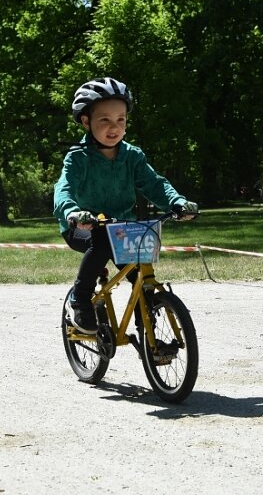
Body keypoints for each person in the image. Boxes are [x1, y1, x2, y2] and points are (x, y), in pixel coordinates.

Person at [53, 77, 198, 335]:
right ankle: (80, 297)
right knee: (101, 239)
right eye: (104, 120)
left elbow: (154, 184)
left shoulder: (132, 155)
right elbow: (63, 189)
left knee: (143, 280)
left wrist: (177, 202)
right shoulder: (77, 157)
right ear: (86, 122)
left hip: (122, 229)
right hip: (82, 227)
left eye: (121, 119)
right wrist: (72, 212)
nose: (114, 127)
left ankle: (149, 336)